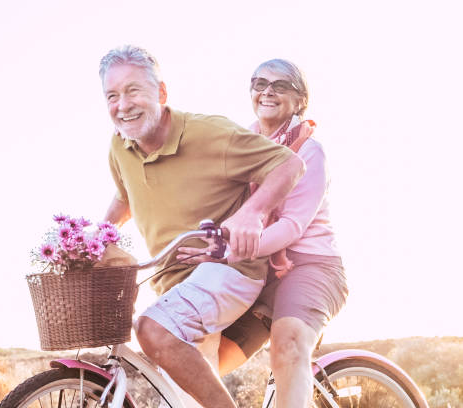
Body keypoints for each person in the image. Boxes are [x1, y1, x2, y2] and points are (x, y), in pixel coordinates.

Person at [100, 45, 305, 408]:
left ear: (161, 93)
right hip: (174, 285)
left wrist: (252, 213)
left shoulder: (209, 133)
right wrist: (95, 239)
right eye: (112, 96)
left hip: (228, 270)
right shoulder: (120, 146)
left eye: (133, 91)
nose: (123, 105)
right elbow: (125, 197)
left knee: (151, 328)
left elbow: (288, 165)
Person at [178, 59, 349, 408]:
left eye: (280, 85)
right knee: (200, 352)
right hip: (255, 271)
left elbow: (291, 227)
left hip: (309, 267)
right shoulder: (242, 143)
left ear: (300, 100)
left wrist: (229, 252)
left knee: (287, 344)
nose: (267, 91)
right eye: (260, 83)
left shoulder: (308, 151)